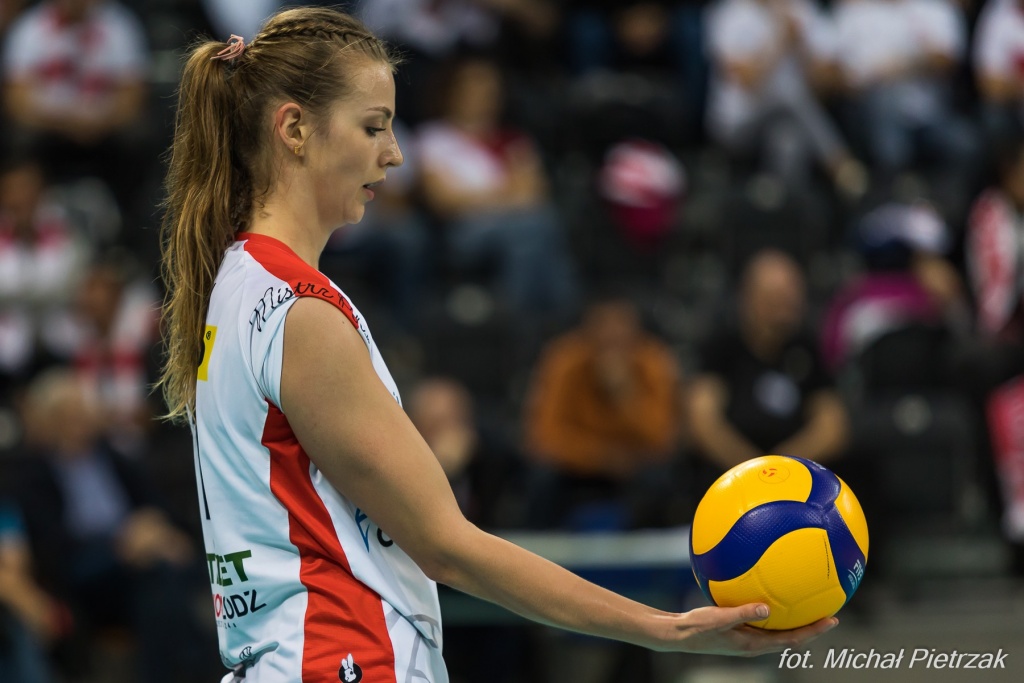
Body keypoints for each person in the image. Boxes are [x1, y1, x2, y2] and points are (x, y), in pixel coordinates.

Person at [157, 8, 837, 682]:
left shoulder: (233, 284)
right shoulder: (302, 312)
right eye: (373, 126)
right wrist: (665, 628)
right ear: (294, 129)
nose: (394, 154)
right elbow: (447, 546)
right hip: (347, 659)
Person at [689, 249, 848, 472]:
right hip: (730, 476)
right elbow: (702, 421)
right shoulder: (723, 347)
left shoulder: (807, 348)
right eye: (776, 298)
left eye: (792, 297)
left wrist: (780, 466)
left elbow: (832, 427)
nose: (787, 307)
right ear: (749, 298)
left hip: (793, 477)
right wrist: (752, 469)